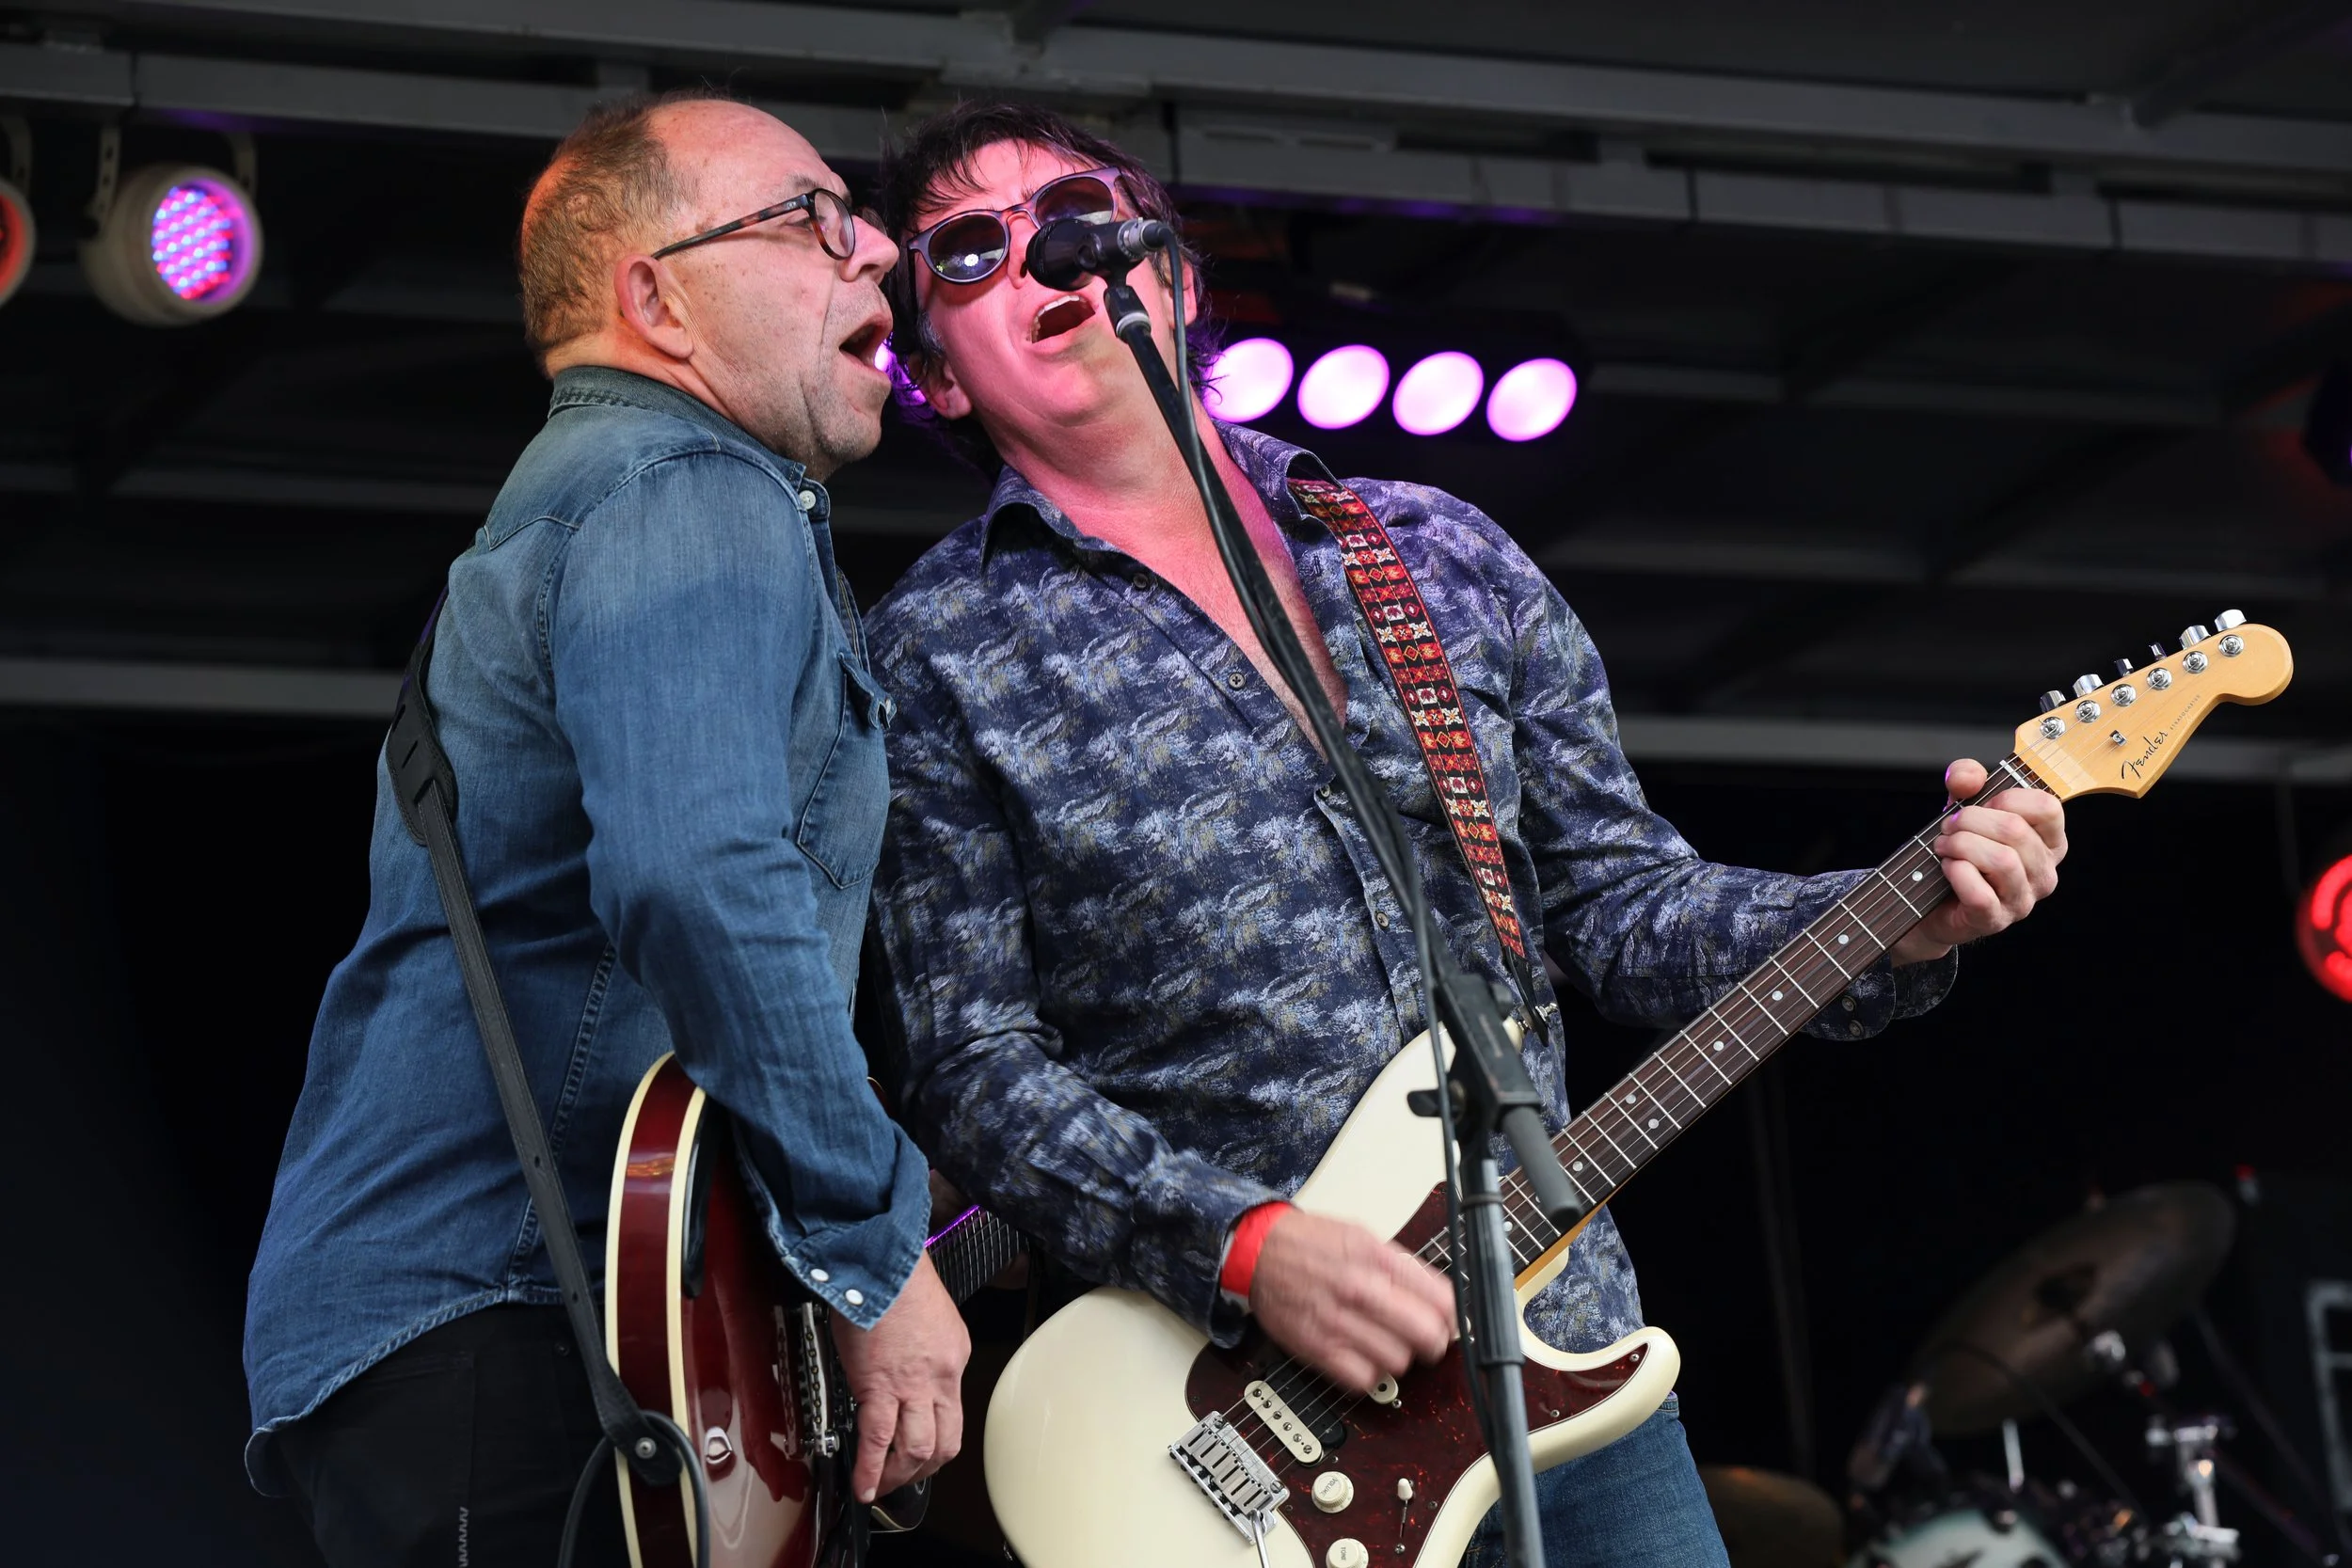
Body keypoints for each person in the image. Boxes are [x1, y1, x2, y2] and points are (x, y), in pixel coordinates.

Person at [861, 102, 2065, 1567]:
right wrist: (1240, 1246)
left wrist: (1892, 914)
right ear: (934, 368)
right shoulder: (935, 652)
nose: (1039, 259)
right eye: (969, 251)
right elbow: (971, 1064)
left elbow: (1621, 903)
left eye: (1073, 215)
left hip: (1562, 1351)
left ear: (1167, 264)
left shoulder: (1433, 549)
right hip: (1216, 1411)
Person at [243, 91, 968, 1567]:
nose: (879, 251)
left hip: (485, 1328)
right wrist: (876, 1250)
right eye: (810, 219)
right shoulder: (688, 484)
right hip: (519, 1317)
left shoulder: (584, 503)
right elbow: (700, 877)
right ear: (656, 300)